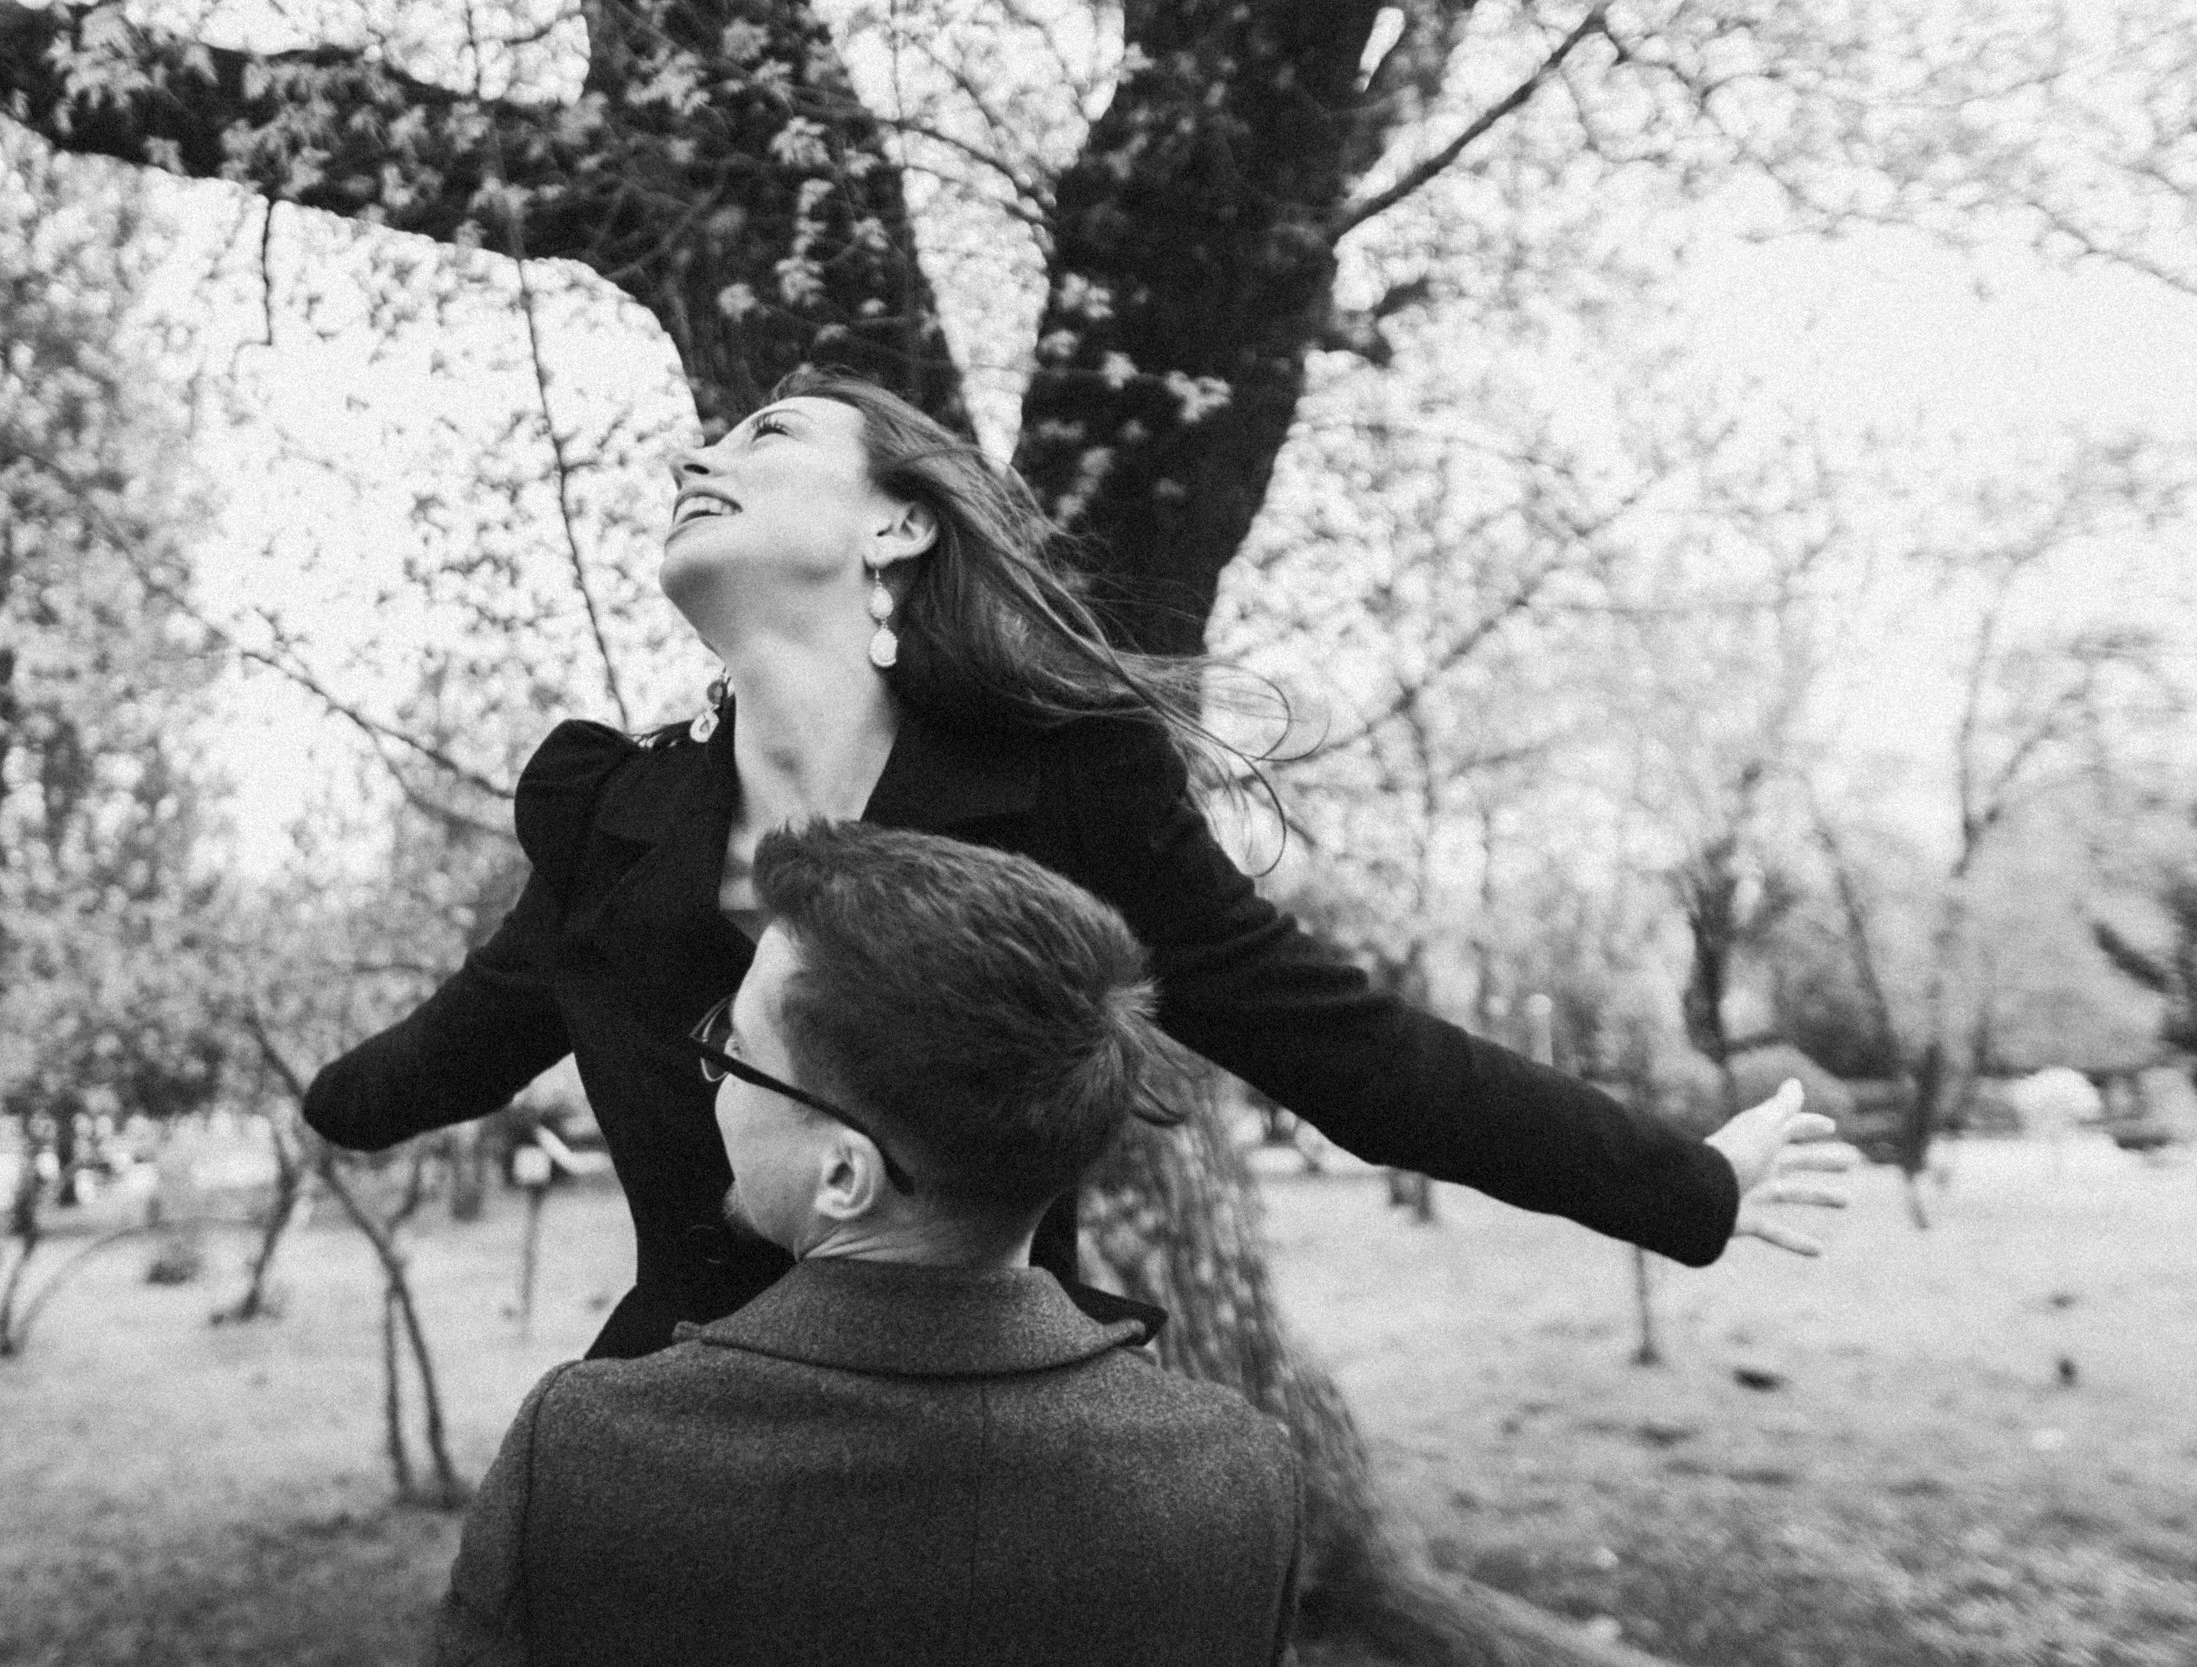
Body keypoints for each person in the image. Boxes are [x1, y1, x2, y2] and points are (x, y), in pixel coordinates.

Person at [305, 366, 1852, 1360]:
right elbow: (470, 1032)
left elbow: (1350, 1051)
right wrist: (327, 1101)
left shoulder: (1070, 785)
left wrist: (1687, 1184)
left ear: (898, 528)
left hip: (999, 1430)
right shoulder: (607, 815)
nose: (696, 454)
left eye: (764, 433)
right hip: (681, 1423)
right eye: (710, 436)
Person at [431, 820, 1302, 1667]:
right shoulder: (1237, 1475)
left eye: (737, 1050)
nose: (718, 1078)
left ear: (845, 1175)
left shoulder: (590, 1453)